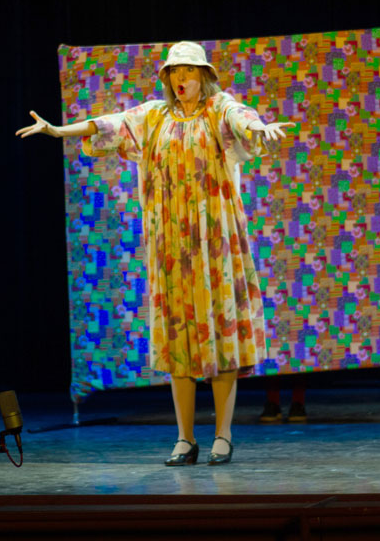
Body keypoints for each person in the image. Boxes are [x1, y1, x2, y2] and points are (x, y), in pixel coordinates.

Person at [18, 41, 293, 465]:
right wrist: (57, 131)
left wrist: (260, 127)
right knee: (178, 339)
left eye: (189, 71)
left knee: (220, 334)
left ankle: (223, 435)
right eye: (174, 72)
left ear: (204, 75)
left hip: (215, 240)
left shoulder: (218, 108)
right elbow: (106, 125)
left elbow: (242, 118)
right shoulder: (154, 116)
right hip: (170, 244)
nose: (181, 78)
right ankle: (185, 439)